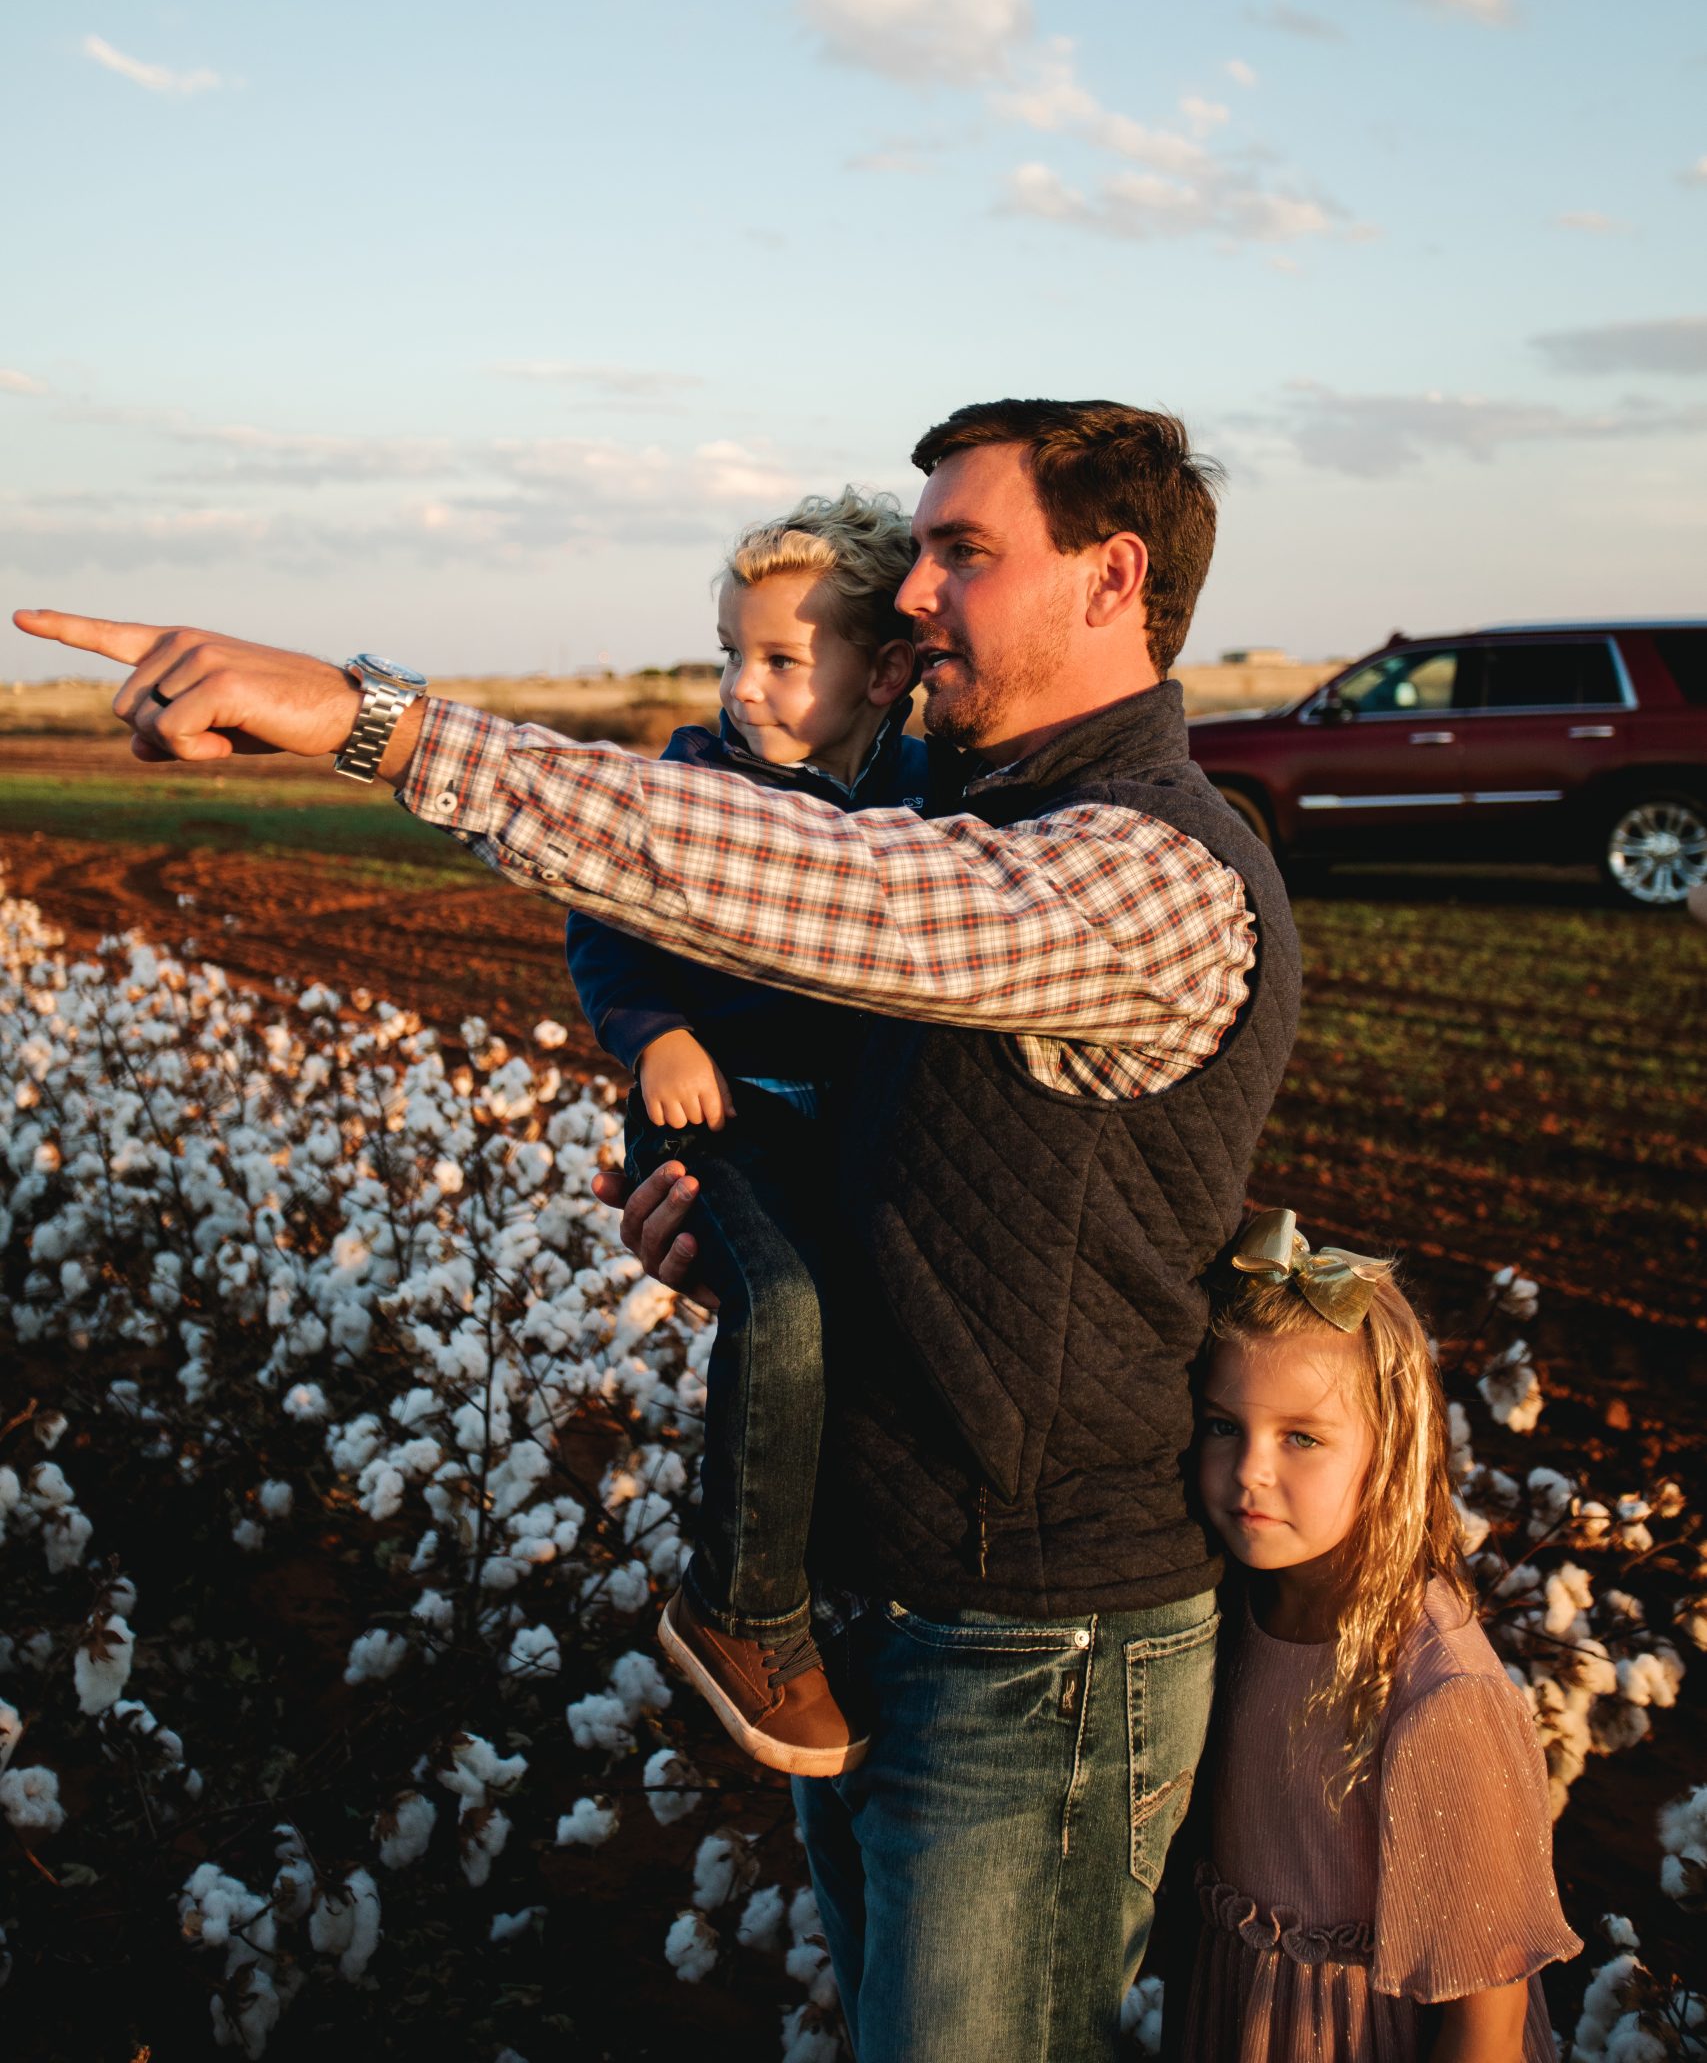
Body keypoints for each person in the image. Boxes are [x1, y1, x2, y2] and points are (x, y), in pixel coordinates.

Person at [14, 396, 1302, 2063]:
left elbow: (799, 885)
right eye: (914, 554)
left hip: (1035, 1651)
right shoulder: (956, 809)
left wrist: (373, 720)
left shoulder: (1151, 872)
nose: (910, 596)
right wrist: (747, 1238)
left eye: (961, 555)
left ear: (1111, 577)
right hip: (884, 1594)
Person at [564, 489, 925, 1779]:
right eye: (730, 651)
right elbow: (603, 922)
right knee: (776, 1301)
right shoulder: (692, 779)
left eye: (779, 658)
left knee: (852, 1327)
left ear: (885, 672)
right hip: (708, 1114)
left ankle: (832, 1586)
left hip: (840, 1130)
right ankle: (739, 1603)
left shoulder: (921, 794)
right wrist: (657, 1030)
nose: (742, 685)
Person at [1186, 1206, 1579, 2063]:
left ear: (1390, 1448)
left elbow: (1485, 2028)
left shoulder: (1440, 1698)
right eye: (1224, 1425)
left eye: (1301, 1438)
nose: (1251, 1469)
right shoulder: (1232, 1610)